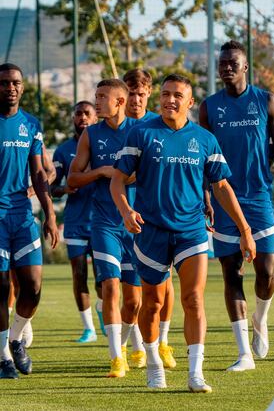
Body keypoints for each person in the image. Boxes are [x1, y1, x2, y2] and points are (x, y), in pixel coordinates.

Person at [110, 74, 256, 392]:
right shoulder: (140, 133)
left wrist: (245, 229)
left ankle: (195, 373)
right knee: (151, 304)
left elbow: (221, 186)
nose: (169, 99)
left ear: (190, 102)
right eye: (164, 94)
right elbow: (117, 181)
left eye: (177, 95)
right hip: (150, 232)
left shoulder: (205, 140)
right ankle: (153, 363)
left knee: (193, 299)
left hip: (191, 231)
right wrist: (126, 212)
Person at [199, 40, 274, 371]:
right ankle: (244, 353)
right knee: (231, 273)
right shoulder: (209, 107)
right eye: (222, 63)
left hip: (259, 197)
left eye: (233, 62)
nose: (227, 67)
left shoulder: (266, 101)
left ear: (245, 67)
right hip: (222, 200)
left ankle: (260, 320)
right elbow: (203, 157)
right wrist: (205, 197)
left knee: (266, 272)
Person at [68, 78, 138, 378]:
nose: (96, 102)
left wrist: (122, 176)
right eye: (95, 96)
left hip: (136, 224)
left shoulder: (140, 131)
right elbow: (72, 179)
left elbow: (145, 173)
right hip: (104, 224)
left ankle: (124, 346)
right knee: (110, 287)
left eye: (102, 97)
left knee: (134, 301)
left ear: (120, 102)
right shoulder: (90, 135)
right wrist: (100, 171)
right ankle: (115, 358)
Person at [0, 63, 59, 379]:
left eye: (16, 83)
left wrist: (49, 213)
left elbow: (38, 173)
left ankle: (14, 338)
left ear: (22, 88)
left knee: (33, 287)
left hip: (22, 216)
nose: (11, 88)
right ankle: (2, 359)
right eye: (5, 83)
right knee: (0, 288)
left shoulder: (31, 124)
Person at [123, 68, 176, 369]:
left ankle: (163, 342)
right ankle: (136, 345)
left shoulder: (159, 126)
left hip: (154, 217)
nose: (137, 99)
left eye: (142, 93)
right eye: (131, 93)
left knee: (164, 285)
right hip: (120, 216)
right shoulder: (116, 126)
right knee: (131, 291)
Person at [51, 101, 104, 343]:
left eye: (87, 113)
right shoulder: (63, 150)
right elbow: (52, 187)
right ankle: (88, 329)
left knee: (104, 277)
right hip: (75, 222)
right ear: (73, 118)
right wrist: (63, 188)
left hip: (104, 221)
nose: (82, 117)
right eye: (78, 113)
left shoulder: (105, 143)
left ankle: (105, 312)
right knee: (78, 274)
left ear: (96, 118)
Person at [9, 142, 56, 349]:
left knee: (26, 281)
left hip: (20, 215)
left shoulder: (27, 129)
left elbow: (49, 171)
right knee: (6, 280)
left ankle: (22, 326)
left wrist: (33, 190)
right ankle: (9, 341)